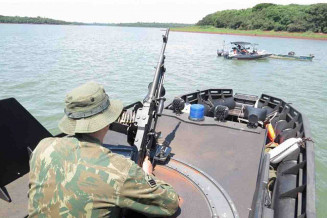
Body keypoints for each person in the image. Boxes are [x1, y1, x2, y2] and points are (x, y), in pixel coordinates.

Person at [28, 81, 179, 217]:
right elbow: (171, 203)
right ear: (107, 121)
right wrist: (147, 174)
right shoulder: (119, 170)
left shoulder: (43, 147)